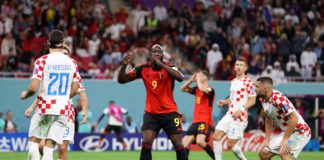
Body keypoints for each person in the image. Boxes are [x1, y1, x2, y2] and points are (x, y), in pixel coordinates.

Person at [20, 30, 84, 160]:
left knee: (34, 143)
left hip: (45, 107)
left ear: (48, 42)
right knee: (49, 146)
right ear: (62, 43)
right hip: (64, 110)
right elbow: (76, 89)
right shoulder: (72, 62)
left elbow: (33, 88)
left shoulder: (41, 61)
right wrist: (64, 98)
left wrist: (25, 95)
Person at [118, 44, 187, 160]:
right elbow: (122, 80)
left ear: (162, 55)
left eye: (158, 52)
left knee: (178, 143)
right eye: (154, 52)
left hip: (170, 113)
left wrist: (162, 65)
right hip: (151, 113)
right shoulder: (143, 69)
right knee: (146, 141)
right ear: (150, 54)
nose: (156, 54)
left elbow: (180, 78)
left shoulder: (170, 67)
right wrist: (124, 65)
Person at [256, 77, 311, 160]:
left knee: (284, 153)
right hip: (287, 132)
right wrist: (266, 140)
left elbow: (294, 118)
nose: (254, 89)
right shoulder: (263, 99)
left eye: (257, 86)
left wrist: (285, 139)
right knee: (264, 154)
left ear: (264, 88)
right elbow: (268, 119)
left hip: (300, 131)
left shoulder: (278, 99)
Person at [213, 57, 256, 160]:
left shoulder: (249, 82)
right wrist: (224, 102)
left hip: (240, 118)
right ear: (234, 67)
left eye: (241, 65)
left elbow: (252, 100)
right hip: (230, 114)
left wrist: (241, 109)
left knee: (230, 145)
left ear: (245, 68)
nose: (239, 67)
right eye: (237, 65)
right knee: (216, 137)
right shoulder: (233, 81)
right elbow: (233, 98)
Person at [180, 70, 215, 159]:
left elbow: (203, 89)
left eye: (200, 75)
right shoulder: (196, 89)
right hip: (195, 121)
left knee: (200, 141)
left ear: (205, 78)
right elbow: (182, 89)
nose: (197, 77)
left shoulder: (210, 89)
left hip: (204, 121)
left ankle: (216, 158)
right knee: (184, 144)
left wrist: (198, 79)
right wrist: (190, 81)